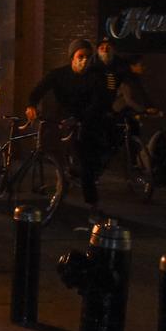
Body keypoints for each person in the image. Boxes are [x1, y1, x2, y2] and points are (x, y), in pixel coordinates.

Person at [26, 39, 108, 223]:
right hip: (60, 120)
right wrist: (31, 104)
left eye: (88, 57)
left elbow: (97, 103)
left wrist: (80, 119)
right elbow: (39, 89)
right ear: (72, 57)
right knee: (55, 154)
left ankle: (92, 207)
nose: (84, 61)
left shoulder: (95, 78)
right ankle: (60, 189)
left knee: (85, 162)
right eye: (80, 56)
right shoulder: (59, 75)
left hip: (83, 122)